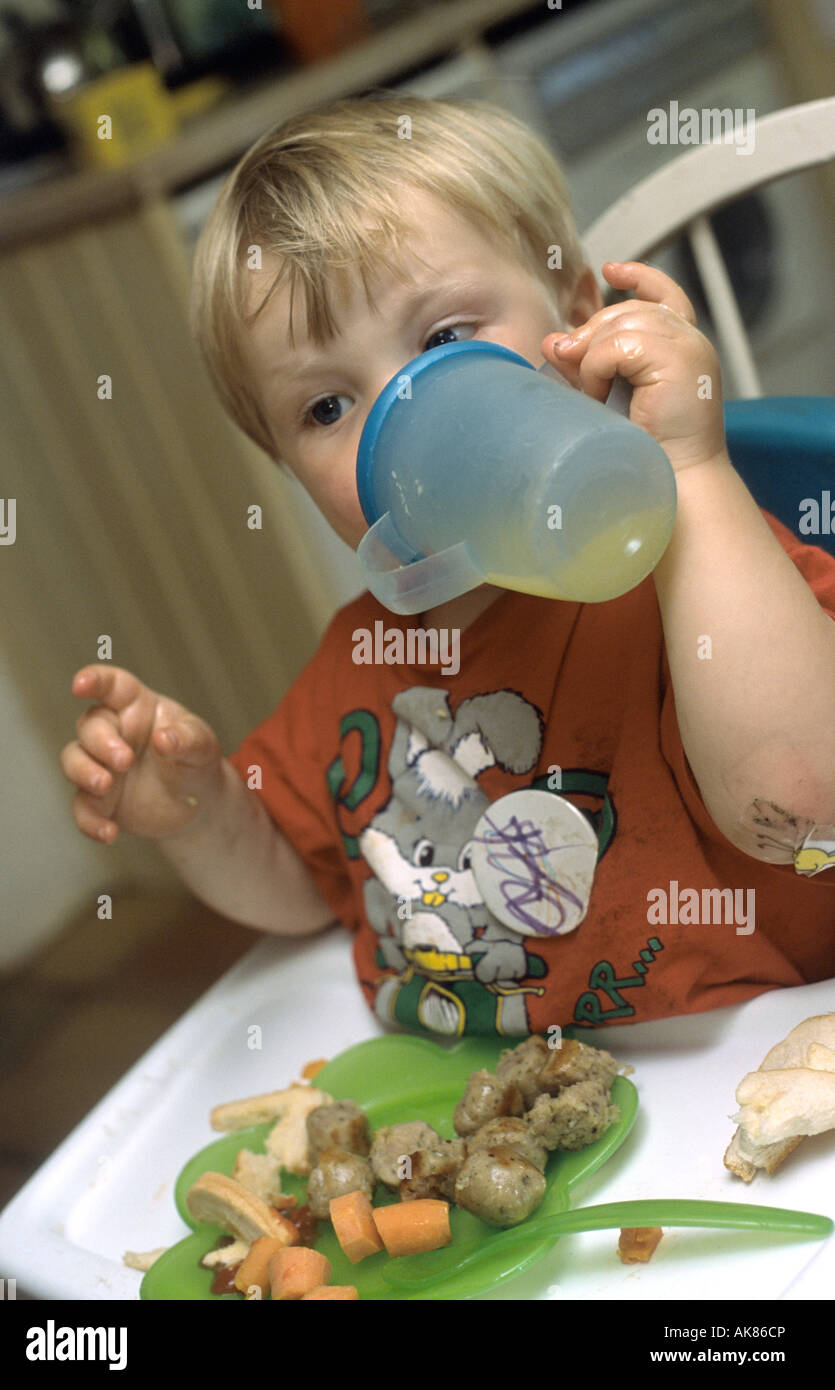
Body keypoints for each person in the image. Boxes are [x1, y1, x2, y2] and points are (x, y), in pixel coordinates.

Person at [60, 96, 835, 1037]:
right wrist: (196, 812)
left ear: (580, 318)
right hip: (477, 1128)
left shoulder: (691, 577)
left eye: (440, 341)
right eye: (325, 408)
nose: (402, 416)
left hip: (736, 1101)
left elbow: (805, 806)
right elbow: (303, 886)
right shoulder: (359, 661)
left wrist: (691, 472)